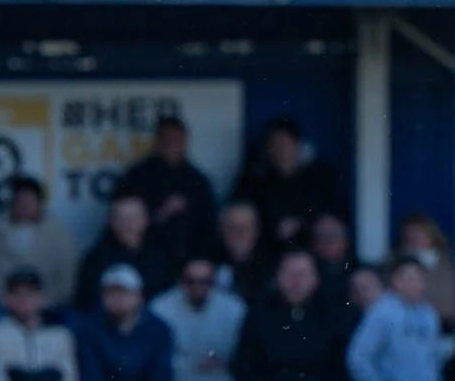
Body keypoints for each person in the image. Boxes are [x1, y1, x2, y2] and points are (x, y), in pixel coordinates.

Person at [234, 250, 351, 381]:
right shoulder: (259, 313)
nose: (296, 282)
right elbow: (244, 365)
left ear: (315, 279)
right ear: (278, 278)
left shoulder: (332, 315)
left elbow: (342, 367)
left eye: (302, 275)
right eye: (290, 275)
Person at [116, 115, 218, 264]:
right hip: (145, 259)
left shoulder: (198, 181)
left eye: (177, 139)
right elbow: (120, 221)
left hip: (189, 263)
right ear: (156, 141)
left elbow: (209, 226)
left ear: (185, 141)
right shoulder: (136, 177)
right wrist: (160, 214)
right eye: (166, 139)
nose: (171, 144)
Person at [231, 115, 342, 248]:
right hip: (267, 248)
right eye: (275, 144)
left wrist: (301, 224)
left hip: (310, 248)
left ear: (297, 145)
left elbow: (330, 213)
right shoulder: (255, 178)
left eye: (285, 143)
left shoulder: (318, 177)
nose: (281, 150)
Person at [149, 257, 246, 381]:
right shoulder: (160, 308)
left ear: (213, 282)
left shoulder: (235, 309)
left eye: (205, 281)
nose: (197, 287)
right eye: (190, 281)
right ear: (181, 281)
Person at [345, 257, 440, 381]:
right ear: (396, 281)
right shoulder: (381, 312)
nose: (419, 284)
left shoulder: (429, 313)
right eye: (411, 278)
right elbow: (358, 357)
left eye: (421, 278)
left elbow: (433, 356)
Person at [76, 264, 173, 381]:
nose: (117, 299)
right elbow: (91, 378)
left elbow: (160, 377)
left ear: (139, 297)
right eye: (111, 293)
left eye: (124, 293)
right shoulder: (89, 330)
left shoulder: (159, 330)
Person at [0, 176, 78, 307]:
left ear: (40, 203)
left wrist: (44, 302)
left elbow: (67, 280)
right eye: (20, 200)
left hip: (50, 309)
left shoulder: (59, 236)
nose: (25, 206)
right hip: (6, 309)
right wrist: (10, 302)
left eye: (30, 200)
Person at [73, 194, 175, 313]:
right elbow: (84, 303)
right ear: (111, 222)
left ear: (146, 220)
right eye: (120, 218)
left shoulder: (160, 258)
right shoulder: (95, 260)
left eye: (133, 218)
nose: (127, 224)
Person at [0, 268, 79, 381]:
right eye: (17, 294)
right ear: (7, 299)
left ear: (42, 298)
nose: (24, 299)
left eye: (30, 293)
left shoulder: (60, 336)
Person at [395, 213, 455, 330]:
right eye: (410, 235)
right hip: (413, 326)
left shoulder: (448, 263)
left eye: (419, 233)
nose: (415, 238)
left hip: (450, 323)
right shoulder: (397, 265)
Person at [210, 200, 272, 302]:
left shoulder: (272, 269)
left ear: (257, 231)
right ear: (222, 231)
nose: (240, 234)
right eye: (233, 228)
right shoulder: (209, 267)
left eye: (246, 228)